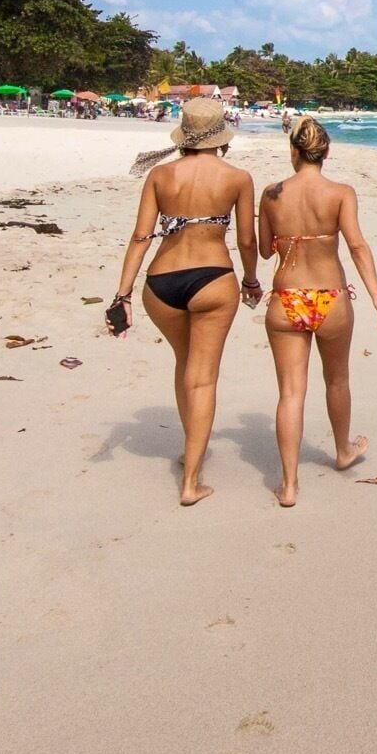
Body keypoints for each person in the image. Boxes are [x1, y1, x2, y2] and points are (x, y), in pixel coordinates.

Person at [106, 97, 259, 506]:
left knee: (184, 362)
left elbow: (141, 237)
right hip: (213, 279)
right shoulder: (238, 178)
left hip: (161, 282)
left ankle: (189, 446)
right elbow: (246, 240)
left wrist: (122, 294)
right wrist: (251, 279)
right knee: (204, 376)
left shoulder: (160, 174)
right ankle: (191, 481)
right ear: (221, 135)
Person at [256, 117, 377, 506]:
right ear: (327, 152)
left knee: (290, 392)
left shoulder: (271, 194)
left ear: (294, 151)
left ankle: (288, 485)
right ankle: (342, 450)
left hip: (286, 299)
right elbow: (356, 245)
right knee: (336, 380)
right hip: (330, 297)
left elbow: (266, 249)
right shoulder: (341, 193)